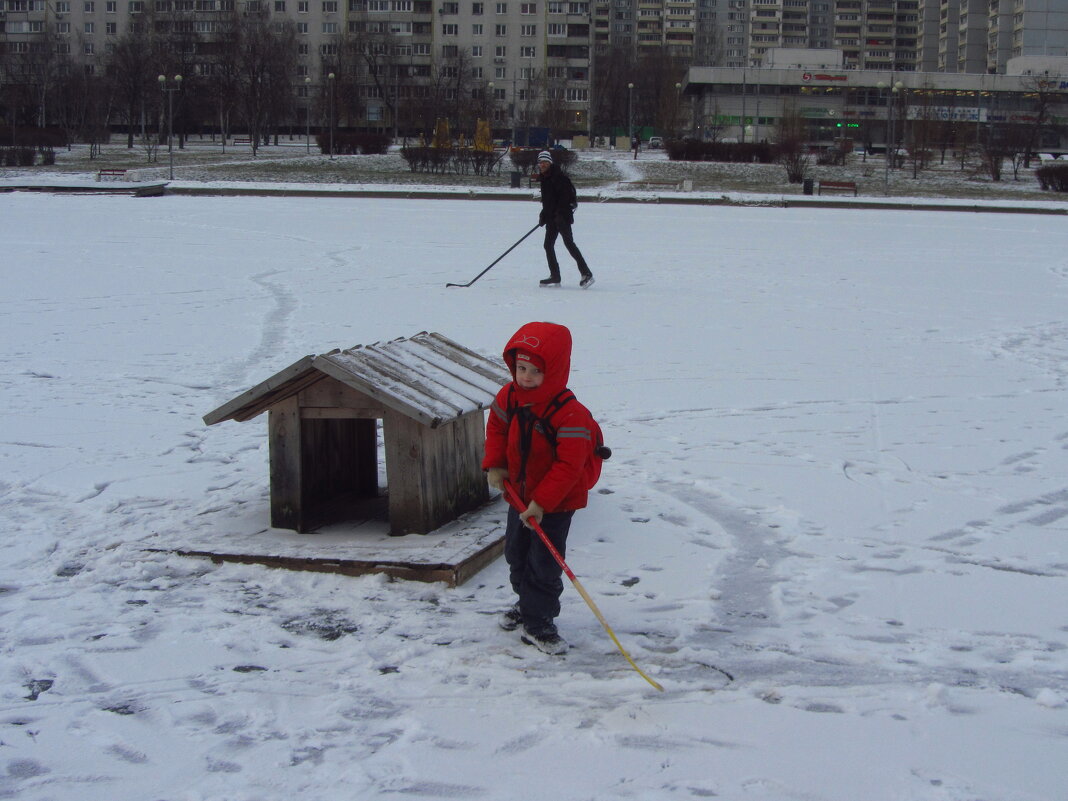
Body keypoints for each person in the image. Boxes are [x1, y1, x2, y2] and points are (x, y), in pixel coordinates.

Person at [482, 321, 596, 655]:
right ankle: (525, 604)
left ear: (556, 370)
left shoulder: (571, 414)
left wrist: (542, 502)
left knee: (544, 565)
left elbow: (569, 467)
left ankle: (539, 622)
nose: (526, 377)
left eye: (535, 370)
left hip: (555, 505)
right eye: (521, 368)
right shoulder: (509, 396)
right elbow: (498, 429)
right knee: (515, 555)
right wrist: (496, 464)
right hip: (519, 496)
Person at [533, 150, 594, 289]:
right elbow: (548, 201)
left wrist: (559, 215)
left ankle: (586, 273)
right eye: (540, 162)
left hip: (562, 218)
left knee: (569, 244)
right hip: (551, 219)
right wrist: (544, 214)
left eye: (545, 162)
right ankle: (555, 275)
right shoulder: (544, 179)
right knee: (548, 245)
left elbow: (565, 199)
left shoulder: (560, 178)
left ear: (550, 163)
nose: (542, 165)